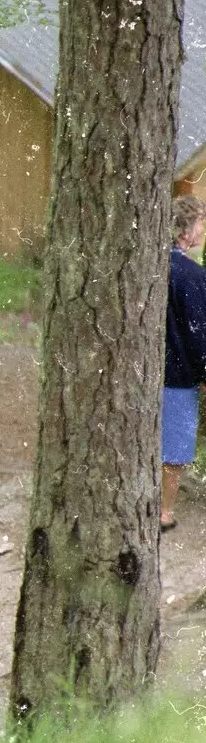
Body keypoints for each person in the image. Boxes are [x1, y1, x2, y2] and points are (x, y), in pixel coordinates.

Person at [163, 195, 206, 530]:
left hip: (148, 371)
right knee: (174, 447)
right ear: (187, 230)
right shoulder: (192, 275)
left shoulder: (150, 265)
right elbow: (197, 333)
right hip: (179, 374)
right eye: (201, 222)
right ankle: (164, 511)